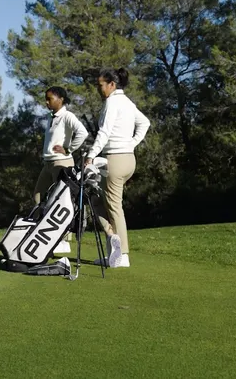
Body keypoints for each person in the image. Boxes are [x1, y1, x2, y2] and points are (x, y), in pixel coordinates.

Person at [85, 67, 150, 269]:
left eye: (101, 85)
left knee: (114, 207)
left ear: (112, 84)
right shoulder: (128, 102)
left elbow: (104, 132)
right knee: (97, 200)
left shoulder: (112, 102)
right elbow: (145, 123)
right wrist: (132, 144)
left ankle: (122, 255)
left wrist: (91, 155)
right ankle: (113, 251)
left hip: (115, 160)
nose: (99, 89)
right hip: (128, 159)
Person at [33, 86, 88, 254]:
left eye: (49, 99)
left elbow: (82, 133)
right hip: (48, 164)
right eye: (46, 99)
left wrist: (68, 149)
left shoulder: (67, 116)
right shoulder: (52, 117)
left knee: (61, 202)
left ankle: (63, 241)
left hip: (62, 163)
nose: (46, 102)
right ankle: (40, 233)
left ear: (61, 99)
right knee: (38, 196)